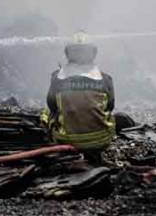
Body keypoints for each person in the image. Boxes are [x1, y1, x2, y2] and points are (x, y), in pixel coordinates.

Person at [41, 33, 116, 164]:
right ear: (93, 53)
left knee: (46, 114)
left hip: (66, 140)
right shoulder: (105, 79)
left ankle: (63, 150)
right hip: (102, 140)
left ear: (68, 53)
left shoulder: (57, 78)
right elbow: (110, 106)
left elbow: (52, 106)